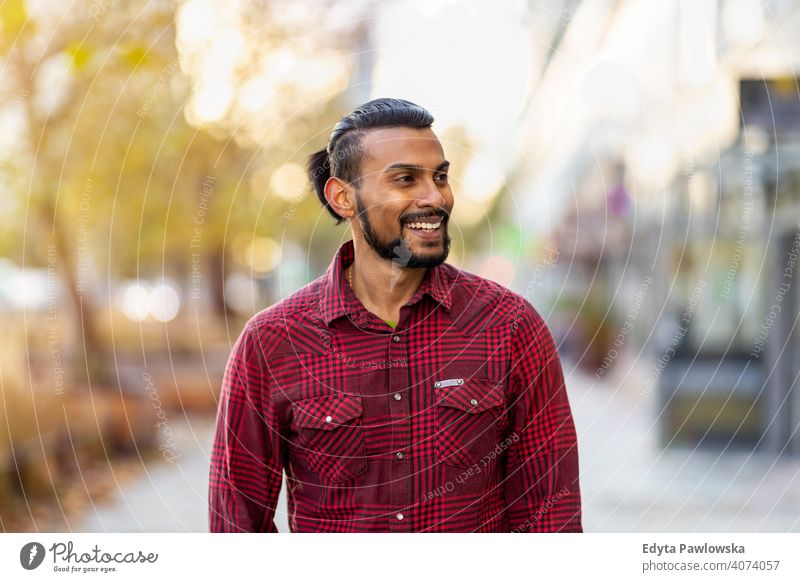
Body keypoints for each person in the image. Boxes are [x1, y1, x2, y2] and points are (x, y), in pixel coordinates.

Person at [208, 98, 582, 532]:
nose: (435, 197)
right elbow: (235, 524)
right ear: (343, 197)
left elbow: (549, 513)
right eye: (406, 179)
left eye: (440, 177)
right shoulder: (272, 341)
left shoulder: (509, 326)